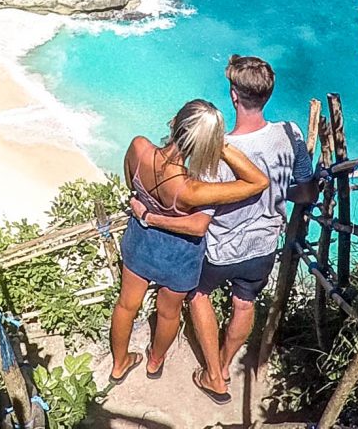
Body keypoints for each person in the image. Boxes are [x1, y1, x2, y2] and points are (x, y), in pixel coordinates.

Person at [132, 55, 315, 403]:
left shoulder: (216, 152)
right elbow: (305, 192)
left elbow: (198, 211)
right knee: (244, 304)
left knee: (198, 295)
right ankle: (227, 366)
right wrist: (276, 195)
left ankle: (213, 375)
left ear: (233, 95)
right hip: (263, 246)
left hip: (220, 248)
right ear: (268, 94)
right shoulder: (290, 134)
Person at [110, 99, 269, 389]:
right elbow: (258, 182)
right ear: (205, 144)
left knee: (125, 306)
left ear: (174, 122)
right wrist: (221, 147)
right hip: (179, 256)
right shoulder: (192, 190)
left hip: (141, 241)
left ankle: (119, 364)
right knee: (168, 313)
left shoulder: (138, 147)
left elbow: (131, 184)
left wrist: (148, 211)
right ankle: (155, 361)